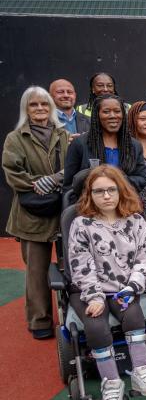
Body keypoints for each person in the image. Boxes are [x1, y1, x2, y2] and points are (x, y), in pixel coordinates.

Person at [67, 165, 146, 400]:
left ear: (121, 191)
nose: (106, 195)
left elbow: (145, 256)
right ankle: (112, 383)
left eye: (111, 189)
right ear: (90, 194)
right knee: (96, 325)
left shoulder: (136, 221)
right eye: (99, 191)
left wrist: (132, 287)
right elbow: (80, 264)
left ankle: (141, 369)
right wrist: (95, 296)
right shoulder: (81, 224)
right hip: (88, 290)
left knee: (133, 314)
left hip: (125, 287)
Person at [2, 86, 69, 339]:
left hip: (61, 210)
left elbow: (70, 169)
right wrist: (45, 182)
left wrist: (55, 180)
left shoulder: (63, 134)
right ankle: (40, 320)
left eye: (44, 104)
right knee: (36, 271)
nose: (40, 109)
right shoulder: (15, 138)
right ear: (25, 109)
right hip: (32, 214)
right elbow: (13, 174)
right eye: (34, 105)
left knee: (68, 267)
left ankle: (70, 312)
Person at [63, 94, 146, 202]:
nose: (113, 115)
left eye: (117, 111)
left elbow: (142, 178)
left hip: (125, 206)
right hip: (90, 209)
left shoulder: (134, 145)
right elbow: (69, 185)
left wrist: (117, 181)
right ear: (96, 115)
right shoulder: (80, 144)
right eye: (106, 111)